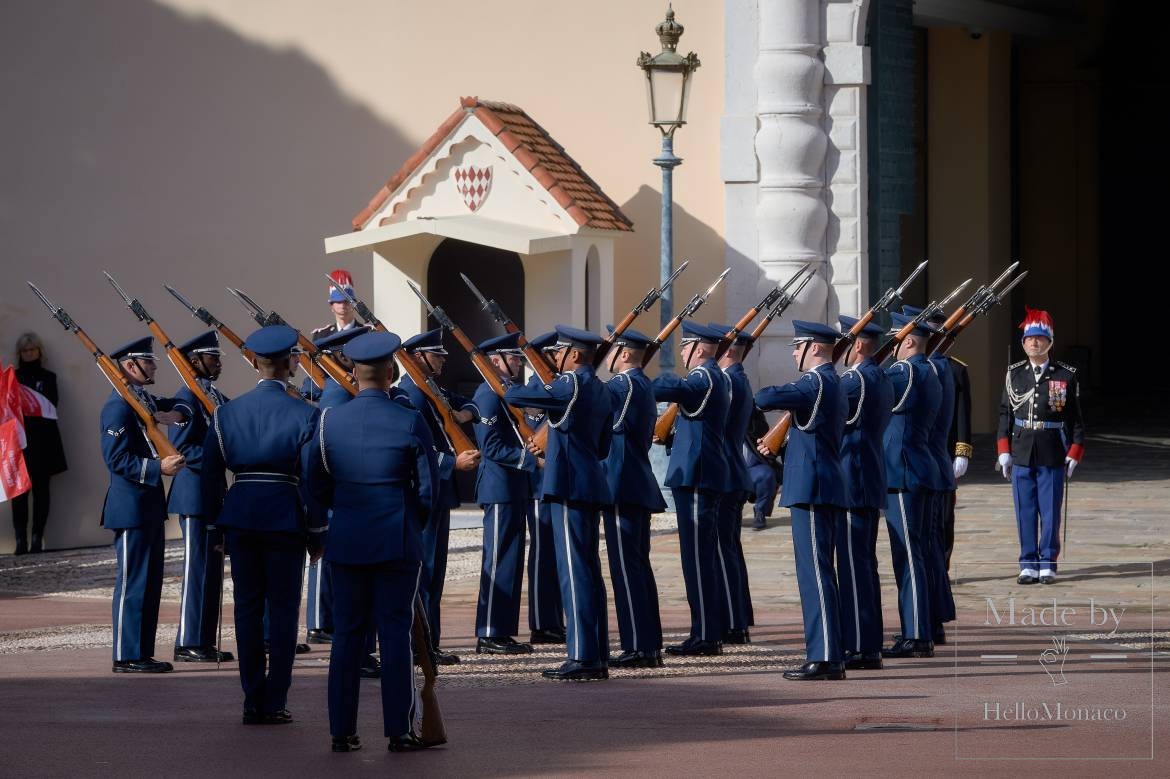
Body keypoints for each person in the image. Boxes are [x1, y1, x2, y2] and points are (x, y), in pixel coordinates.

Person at [309, 330, 440, 753]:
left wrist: (339, 515)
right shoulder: (407, 418)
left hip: (348, 538)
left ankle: (341, 729)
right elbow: (427, 490)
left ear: (353, 372)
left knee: (347, 635)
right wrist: (410, 524)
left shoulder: (329, 420)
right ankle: (399, 731)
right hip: (395, 538)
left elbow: (314, 483)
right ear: (390, 372)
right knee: (395, 633)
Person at [201, 325, 324, 724]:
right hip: (285, 515)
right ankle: (276, 700)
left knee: (247, 610)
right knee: (285, 611)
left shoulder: (225, 414)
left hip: (241, 515)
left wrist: (215, 529)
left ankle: (252, 698)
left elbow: (210, 478)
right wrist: (318, 530)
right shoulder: (307, 413)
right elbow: (312, 478)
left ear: (254, 361)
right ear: (290, 363)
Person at [505, 325, 614, 681]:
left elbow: (519, 397)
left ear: (575, 355)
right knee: (588, 570)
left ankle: (582, 655)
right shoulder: (599, 388)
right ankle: (595, 650)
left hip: (568, 484)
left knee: (574, 571)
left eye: (559, 353)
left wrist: (508, 382)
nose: (554, 359)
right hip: (589, 482)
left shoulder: (573, 384)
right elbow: (602, 447)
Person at [755, 321, 848, 681]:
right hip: (823, 484)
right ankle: (829, 652)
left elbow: (764, 397)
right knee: (821, 570)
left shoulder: (814, 383)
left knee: (815, 573)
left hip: (812, 486)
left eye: (798, 347)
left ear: (814, 348)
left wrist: (789, 398)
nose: (794, 353)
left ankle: (824, 656)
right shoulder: (832, 383)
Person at [100, 336, 187, 673]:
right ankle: (125, 654)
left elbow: (176, 404)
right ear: (130, 366)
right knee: (133, 582)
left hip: (148, 505)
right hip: (130, 506)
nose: (153, 366)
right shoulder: (118, 406)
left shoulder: (141, 400)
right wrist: (157, 468)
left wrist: (178, 412)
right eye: (147, 362)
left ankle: (141, 651)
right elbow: (115, 459)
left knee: (150, 583)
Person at [398, 328, 480, 664]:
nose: (444, 361)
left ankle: (429, 642)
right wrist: (452, 462)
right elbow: (419, 448)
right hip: (426, 491)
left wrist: (470, 414)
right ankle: (422, 644)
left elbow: (472, 405)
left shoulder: (432, 389)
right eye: (438, 355)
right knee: (426, 572)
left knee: (436, 572)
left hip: (439, 491)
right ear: (419, 357)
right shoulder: (411, 395)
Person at [651, 321, 730, 657]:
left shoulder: (703, 377)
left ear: (698, 348)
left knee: (698, 559)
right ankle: (706, 630)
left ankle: (706, 634)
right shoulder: (713, 377)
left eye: (685, 347)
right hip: (700, 474)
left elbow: (663, 388)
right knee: (701, 557)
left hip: (697, 475)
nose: (681, 353)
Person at [997, 307, 1084, 585]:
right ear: (1023, 344)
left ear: (1050, 342)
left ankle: (1047, 562)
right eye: (1029, 339)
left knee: (1049, 510)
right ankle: (1027, 563)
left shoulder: (1065, 375)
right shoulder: (1014, 374)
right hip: (1022, 447)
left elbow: (1075, 418)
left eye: (1039, 338)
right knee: (1024, 509)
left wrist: (1074, 451)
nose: (1034, 343)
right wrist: (1003, 450)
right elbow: (1005, 414)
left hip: (1051, 448)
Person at [600, 327, 666, 668]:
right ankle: (646, 643)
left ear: (624, 354)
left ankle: (639, 646)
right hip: (633, 483)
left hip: (622, 484)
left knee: (626, 568)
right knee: (636, 567)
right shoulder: (640, 384)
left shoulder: (622, 386)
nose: (605, 356)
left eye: (610, 350)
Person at [167, 331, 233, 663]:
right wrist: (218, 458)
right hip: (194, 495)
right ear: (195, 361)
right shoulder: (185, 400)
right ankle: (188, 639)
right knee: (196, 568)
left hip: (213, 494)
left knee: (211, 571)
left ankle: (203, 639)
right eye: (213, 358)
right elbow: (181, 448)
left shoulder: (212, 396)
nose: (219, 363)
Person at [880, 313, 941, 659]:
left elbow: (872, 386)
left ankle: (917, 633)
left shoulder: (905, 372)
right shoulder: (931, 370)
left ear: (908, 341)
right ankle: (920, 628)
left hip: (903, 473)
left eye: (895, 339)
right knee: (915, 552)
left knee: (908, 555)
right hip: (918, 469)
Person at [470, 332, 536, 655]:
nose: (518, 364)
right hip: (498, 487)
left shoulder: (506, 392)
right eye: (514, 359)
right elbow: (491, 446)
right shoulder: (488, 395)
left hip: (513, 487)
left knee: (511, 559)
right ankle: (489, 631)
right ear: (496, 362)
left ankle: (502, 630)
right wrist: (529, 460)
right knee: (498, 560)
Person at [834, 316, 893, 671]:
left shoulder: (854, 379)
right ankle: (867, 640)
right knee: (864, 565)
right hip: (868, 476)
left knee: (855, 566)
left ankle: (860, 645)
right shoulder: (881, 377)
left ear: (856, 344)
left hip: (853, 478)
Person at [901, 305, 957, 644]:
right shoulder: (942, 369)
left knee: (918, 551)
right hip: (934, 467)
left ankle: (921, 626)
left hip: (920, 466)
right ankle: (931, 621)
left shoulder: (926, 371)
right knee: (930, 548)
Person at [709, 322, 756, 644]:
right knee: (728, 548)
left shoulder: (726, 381)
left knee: (722, 549)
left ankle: (733, 622)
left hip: (723, 473)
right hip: (733, 471)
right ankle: (736, 618)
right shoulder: (739, 378)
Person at [522, 332, 565, 645]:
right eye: (554, 354)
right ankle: (542, 622)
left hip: (557, 481)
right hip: (539, 484)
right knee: (543, 555)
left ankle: (554, 619)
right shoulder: (536, 391)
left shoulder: (557, 388)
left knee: (556, 554)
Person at [10, 333, 67, 554]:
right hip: (20, 442)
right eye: (25, 350)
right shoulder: (12, 377)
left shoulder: (49, 377)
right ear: (20, 354)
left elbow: (52, 405)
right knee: (19, 494)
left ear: (39, 351)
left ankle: (37, 538)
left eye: (33, 349)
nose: (29, 353)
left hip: (44, 441)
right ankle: (20, 540)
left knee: (42, 492)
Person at [744, 407, 780, 532]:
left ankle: (760, 511)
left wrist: (748, 414)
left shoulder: (752, 415)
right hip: (728, 470)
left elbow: (763, 431)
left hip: (751, 469)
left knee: (766, 474)